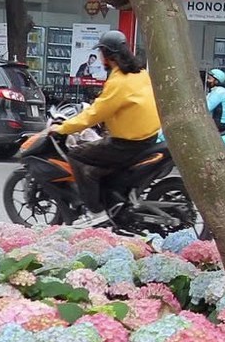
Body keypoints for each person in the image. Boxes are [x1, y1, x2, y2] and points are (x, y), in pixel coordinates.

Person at [49, 30, 161, 219]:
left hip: (127, 144)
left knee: (76, 155)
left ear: (107, 55)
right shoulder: (140, 73)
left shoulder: (118, 82)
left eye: (101, 52)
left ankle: (96, 213)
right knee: (98, 152)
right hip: (149, 137)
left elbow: (94, 114)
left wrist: (62, 128)